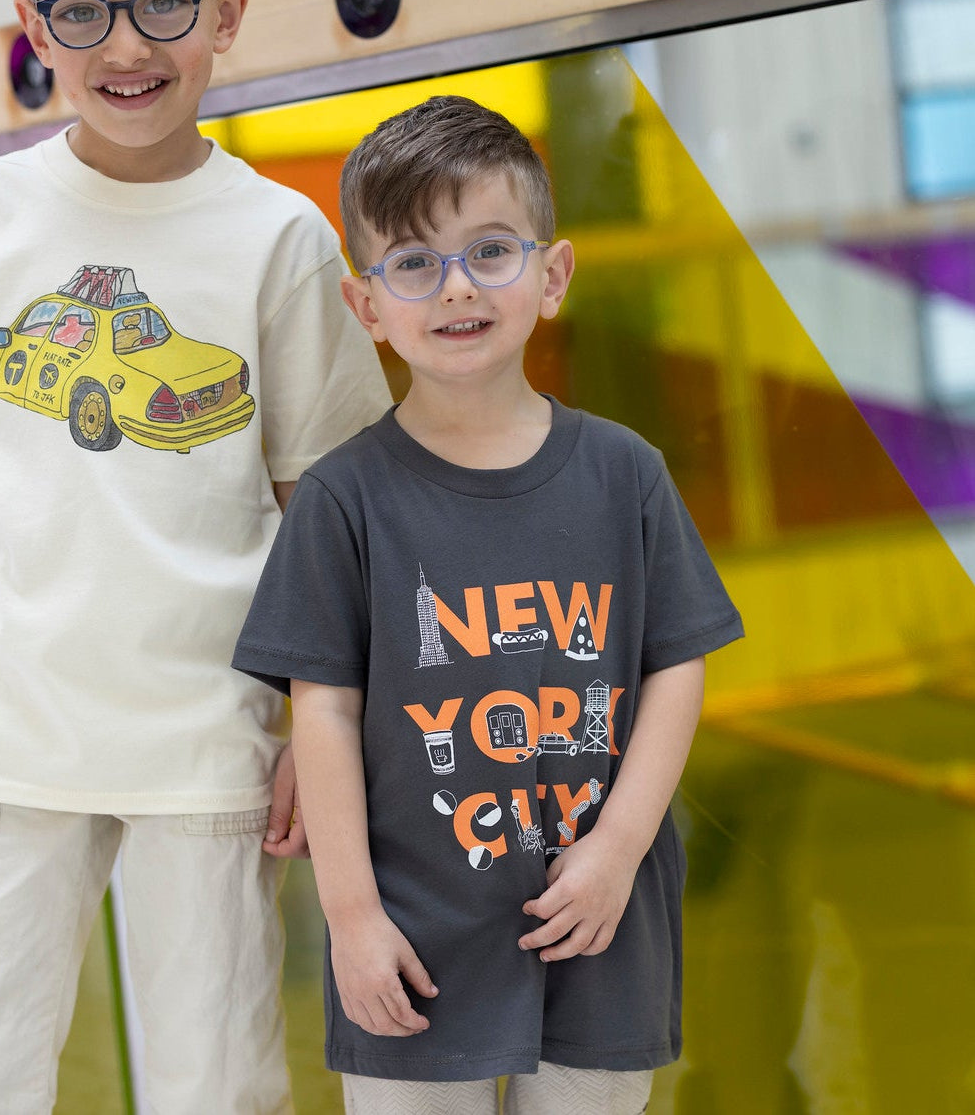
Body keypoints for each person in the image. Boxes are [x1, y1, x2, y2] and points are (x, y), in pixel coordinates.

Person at [0, 0, 390, 1115]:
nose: (126, 43)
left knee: (213, 1080)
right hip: (4, 728)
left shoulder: (280, 236)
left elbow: (325, 502)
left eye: (162, 1)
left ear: (225, 9)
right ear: (33, 25)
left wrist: (318, 730)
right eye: (82, 9)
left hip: (206, 734)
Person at [233, 95, 744, 1115]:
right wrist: (350, 918)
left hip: (595, 924)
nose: (455, 287)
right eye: (413, 263)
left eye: (489, 251)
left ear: (549, 277)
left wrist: (616, 847)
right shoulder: (342, 498)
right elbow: (321, 712)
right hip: (411, 944)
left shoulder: (623, 474)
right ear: (366, 305)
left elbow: (673, 667)